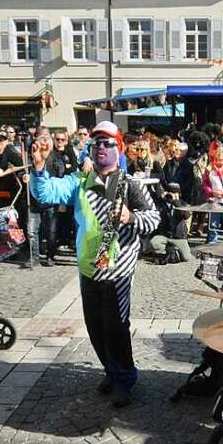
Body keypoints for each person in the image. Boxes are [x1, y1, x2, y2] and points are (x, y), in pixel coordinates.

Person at [29, 122, 159, 406]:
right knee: (95, 326)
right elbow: (45, 193)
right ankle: (111, 371)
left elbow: (154, 218)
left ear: (119, 149)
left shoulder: (131, 184)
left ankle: (125, 378)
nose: (100, 147)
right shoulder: (80, 181)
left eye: (107, 143)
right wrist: (39, 169)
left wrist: (131, 218)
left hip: (119, 270)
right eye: (96, 142)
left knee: (116, 326)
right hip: (89, 267)